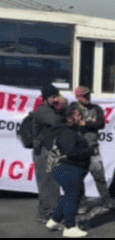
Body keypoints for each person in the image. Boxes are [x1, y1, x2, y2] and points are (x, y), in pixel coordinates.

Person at [45, 104, 92, 238]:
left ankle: (54, 221)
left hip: (68, 169)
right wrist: (89, 150)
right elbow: (71, 152)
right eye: (78, 114)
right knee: (73, 195)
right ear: (70, 116)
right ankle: (69, 227)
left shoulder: (69, 130)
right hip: (68, 168)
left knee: (69, 195)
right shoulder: (67, 132)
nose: (81, 116)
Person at [70, 86, 115, 214]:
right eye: (84, 96)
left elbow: (101, 123)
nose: (88, 98)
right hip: (76, 149)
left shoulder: (96, 108)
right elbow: (70, 123)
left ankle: (107, 203)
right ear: (77, 97)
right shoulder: (72, 108)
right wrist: (85, 123)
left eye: (89, 95)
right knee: (77, 178)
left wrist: (85, 124)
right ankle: (82, 204)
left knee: (99, 176)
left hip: (92, 148)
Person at [32, 83, 66, 223]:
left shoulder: (47, 109)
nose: (58, 98)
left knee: (46, 182)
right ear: (50, 97)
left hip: (45, 150)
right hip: (44, 152)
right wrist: (64, 106)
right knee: (49, 182)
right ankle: (50, 214)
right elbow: (58, 122)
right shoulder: (45, 111)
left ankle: (43, 213)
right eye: (56, 96)